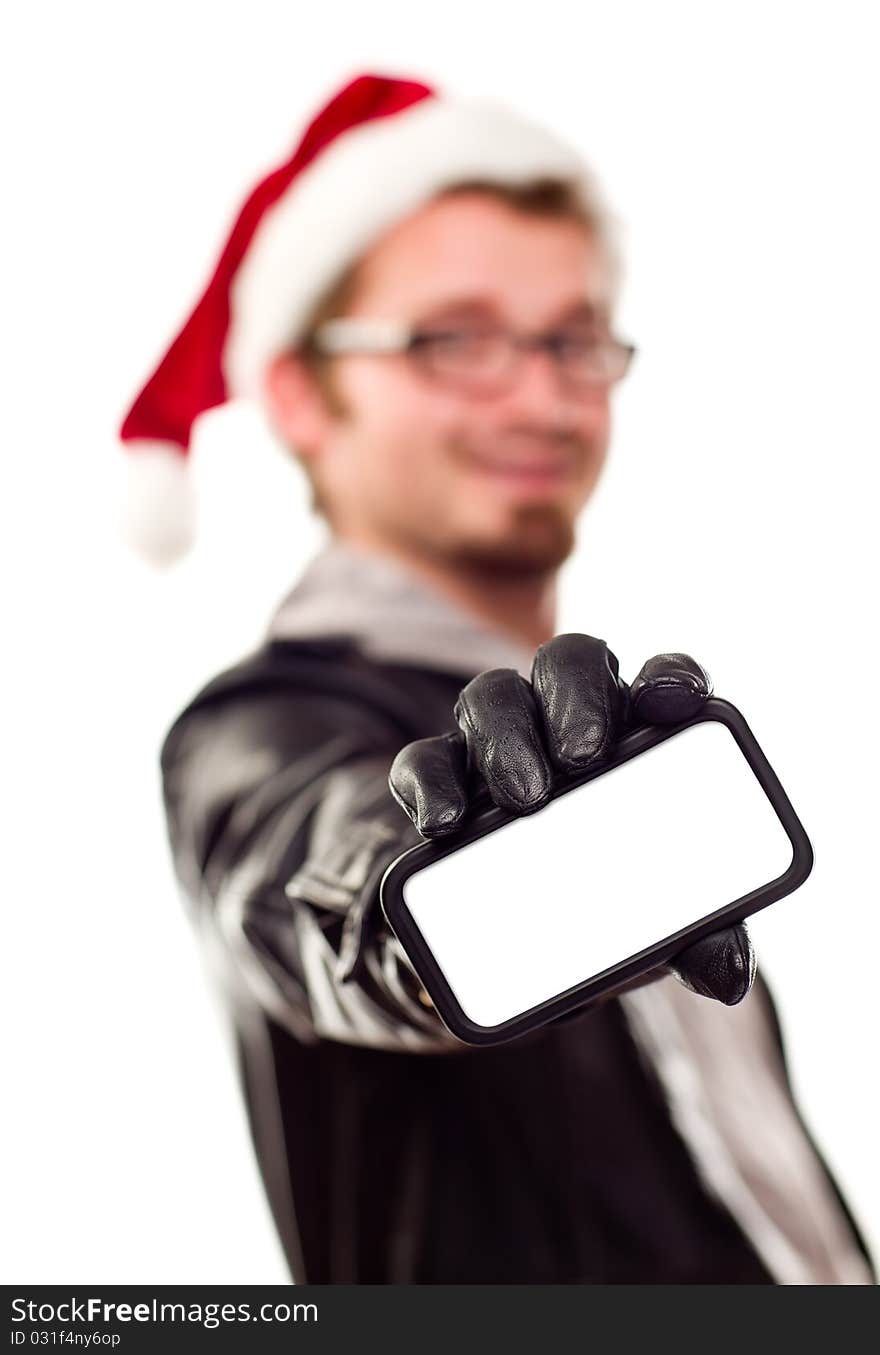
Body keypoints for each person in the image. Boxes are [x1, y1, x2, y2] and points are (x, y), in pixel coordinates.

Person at [123, 73, 874, 1284]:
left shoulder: (614, 767)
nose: (539, 395)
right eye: (457, 339)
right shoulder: (260, 728)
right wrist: (442, 880)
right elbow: (326, 877)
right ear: (301, 391)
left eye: (573, 337)